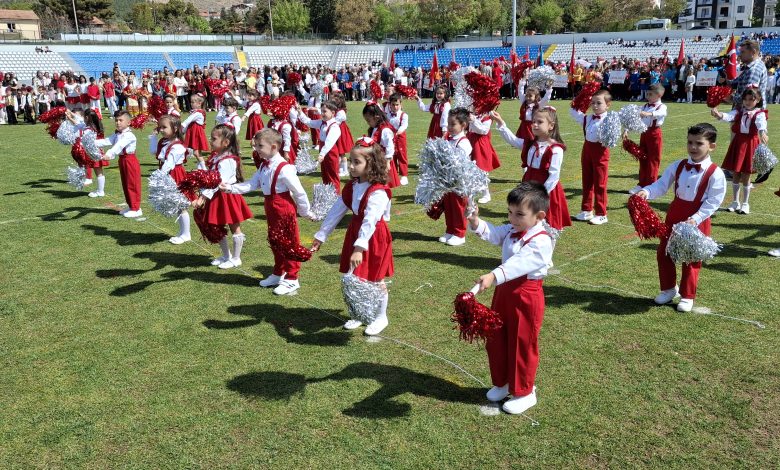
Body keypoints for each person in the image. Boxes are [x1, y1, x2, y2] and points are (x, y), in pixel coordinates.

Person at [466, 180, 554, 415]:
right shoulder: (513, 229)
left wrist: (494, 275)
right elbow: (494, 234)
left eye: (519, 214)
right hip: (503, 292)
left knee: (521, 343)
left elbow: (520, 263)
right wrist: (475, 221)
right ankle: (503, 382)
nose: (512, 219)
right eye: (509, 213)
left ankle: (525, 391)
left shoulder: (542, 240)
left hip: (526, 295)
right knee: (497, 337)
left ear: (539, 215)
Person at [636, 123, 726, 313]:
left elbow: (714, 201)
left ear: (711, 146)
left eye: (699, 143)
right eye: (690, 142)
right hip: (674, 215)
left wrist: (696, 218)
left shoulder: (715, 173)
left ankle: (687, 295)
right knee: (664, 252)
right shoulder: (678, 166)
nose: (693, 147)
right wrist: (646, 191)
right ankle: (669, 289)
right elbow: (661, 185)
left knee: (691, 258)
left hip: (697, 220)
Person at [311, 137, 394, 336]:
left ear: (371, 165)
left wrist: (359, 248)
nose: (351, 166)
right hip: (355, 233)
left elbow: (371, 221)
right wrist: (321, 235)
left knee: (375, 278)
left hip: (373, 237)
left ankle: (381, 316)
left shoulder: (378, 191)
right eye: (350, 161)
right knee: (355, 276)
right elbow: (337, 210)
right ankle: (359, 313)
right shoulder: (353, 185)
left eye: (357, 162)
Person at [223, 128, 312, 295]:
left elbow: (299, 191)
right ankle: (279, 272)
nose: (256, 149)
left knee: (289, 242)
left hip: (283, 207)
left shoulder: (284, 168)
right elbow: (252, 184)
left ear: (274, 147)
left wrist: (305, 211)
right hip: (270, 206)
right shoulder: (264, 165)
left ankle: (292, 278)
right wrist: (230, 188)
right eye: (256, 145)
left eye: (260, 146)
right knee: (275, 240)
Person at [492, 108, 571, 231]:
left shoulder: (555, 148)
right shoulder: (530, 143)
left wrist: (540, 195)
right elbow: (513, 140)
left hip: (545, 189)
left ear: (551, 126)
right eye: (534, 121)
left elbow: (554, 176)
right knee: (527, 219)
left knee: (545, 223)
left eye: (539, 122)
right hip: (528, 184)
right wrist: (501, 123)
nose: (534, 124)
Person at [192, 124, 253, 269]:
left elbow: (218, 182)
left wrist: (202, 197)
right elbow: (210, 177)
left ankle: (237, 258)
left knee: (234, 227)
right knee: (217, 226)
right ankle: (226, 256)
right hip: (216, 197)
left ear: (225, 142)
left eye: (214, 138)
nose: (210, 141)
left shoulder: (228, 160)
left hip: (227, 197)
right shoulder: (216, 157)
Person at [711, 87, 768, 215]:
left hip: (750, 144)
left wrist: (762, 132)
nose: (748, 102)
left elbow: (761, 124)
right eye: (745, 99)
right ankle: (735, 202)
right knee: (735, 173)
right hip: (738, 143)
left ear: (758, 100)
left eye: (751, 100)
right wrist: (718, 114)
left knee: (746, 175)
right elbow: (728, 116)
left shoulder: (760, 113)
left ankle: (745, 203)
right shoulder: (739, 111)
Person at [569, 89, 613, 225]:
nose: (594, 106)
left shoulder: (610, 119)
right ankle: (587, 210)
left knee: (600, 183)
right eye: (592, 103)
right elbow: (574, 111)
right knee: (587, 181)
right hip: (587, 149)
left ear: (608, 105)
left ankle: (601, 213)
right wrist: (584, 93)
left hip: (600, 152)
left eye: (598, 103)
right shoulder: (588, 118)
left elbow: (612, 139)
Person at [150, 114, 191, 244]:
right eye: (160, 127)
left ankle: (186, 234)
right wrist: (153, 136)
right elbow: (153, 152)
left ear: (175, 128)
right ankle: (182, 231)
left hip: (175, 175)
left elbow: (170, 163)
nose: (161, 129)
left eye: (164, 127)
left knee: (180, 205)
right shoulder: (164, 142)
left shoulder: (177, 146)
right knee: (175, 205)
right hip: (167, 173)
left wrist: (160, 176)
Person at [96, 110, 142, 218]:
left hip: (130, 160)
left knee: (132, 184)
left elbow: (119, 146)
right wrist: (91, 142)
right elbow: (107, 141)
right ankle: (130, 205)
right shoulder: (117, 134)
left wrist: (109, 154)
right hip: (122, 160)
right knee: (125, 183)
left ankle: (136, 208)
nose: (118, 122)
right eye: (116, 120)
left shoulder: (129, 135)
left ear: (128, 123)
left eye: (121, 120)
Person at [440, 107, 473, 246]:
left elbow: (459, 163)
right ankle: (450, 230)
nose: (450, 127)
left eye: (453, 124)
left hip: (459, 181)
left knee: (459, 207)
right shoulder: (450, 139)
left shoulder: (464, 143)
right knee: (449, 206)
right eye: (448, 124)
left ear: (463, 125)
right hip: (448, 180)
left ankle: (460, 233)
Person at [628, 83, 668, 194]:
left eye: (650, 94)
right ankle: (641, 183)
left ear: (659, 95)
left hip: (655, 134)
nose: (648, 96)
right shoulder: (645, 105)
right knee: (643, 158)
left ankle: (650, 185)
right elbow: (636, 119)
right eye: (647, 94)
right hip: (644, 133)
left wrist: (648, 113)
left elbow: (661, 113)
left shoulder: (662, 106)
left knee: (653, 160)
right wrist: (627, 130)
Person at [297, 100, 343, 192]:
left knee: (332, 174)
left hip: (330, 152)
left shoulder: (334, 127)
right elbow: (309, 122)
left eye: (325, 111)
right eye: (321, 111)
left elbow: (329, 142)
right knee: (325, 174)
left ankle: (335, 194)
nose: (322, 114)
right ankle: (327, 194)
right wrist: (299, 112)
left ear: (333, 113)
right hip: (323, 151)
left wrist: (322, 154)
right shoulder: (321, 123)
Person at [363, 102, 400, 188]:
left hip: (382, 160)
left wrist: (387, 161)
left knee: (383, 182)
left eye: (368, 120)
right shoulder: (375, 128)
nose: (367, 123)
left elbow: (390, 146)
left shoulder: (384, 130)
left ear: (376, 117)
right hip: (376, 158)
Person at [468, 111, 501, 203]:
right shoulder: (473, 114)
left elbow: (484, 130)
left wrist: (473, 120)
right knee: (469, 167)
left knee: (481, 169)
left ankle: (486, 194)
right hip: (470, 140)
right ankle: (470, 192)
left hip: (481, 143)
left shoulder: (487, 117)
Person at [515, 85, 552, 168]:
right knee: (525, 148)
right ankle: (525, 166)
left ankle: (534, 165)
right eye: (527, 95)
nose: (528, 98)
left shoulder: (538, 105)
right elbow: (520, 92)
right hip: (524, 128)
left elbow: (546, 99)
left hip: (533, 129)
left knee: (533, 148)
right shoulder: (524, 103)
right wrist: (522, 80)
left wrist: (549, 89)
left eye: (530, 96)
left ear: (536, 97)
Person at [386, 93, 409, 186]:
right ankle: (393, 174)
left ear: (401, 105)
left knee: (401, 155)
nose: (395, 107)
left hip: (400, 137)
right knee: (392, 154)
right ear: (389, 105)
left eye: (397, 105)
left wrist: (397, 132)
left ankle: (404, 175)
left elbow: (404, 125)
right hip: (390, 137)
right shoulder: (387, 115)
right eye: (393, 105)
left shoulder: (403, 115)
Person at [182, 94, 209, 164]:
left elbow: (188, 121)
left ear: (199, 103)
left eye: (193, 102)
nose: (191, 104)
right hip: (194, 133)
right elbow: (188, 124)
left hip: (197, 134)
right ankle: (201, 168)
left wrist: (181, 127)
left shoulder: (198, 113)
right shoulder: (195, 112)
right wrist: (183, 131)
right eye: (191, 102)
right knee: (197, 153)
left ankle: (204, 169)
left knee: (196, 153)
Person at [332, 93, 354, 177]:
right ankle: (341, 169)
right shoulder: (337, 110)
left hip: (341, 133)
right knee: (338, 152)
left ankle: (345, 170)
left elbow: (337, 122)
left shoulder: (341, 112)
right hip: (337, 131)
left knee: (342, 153)